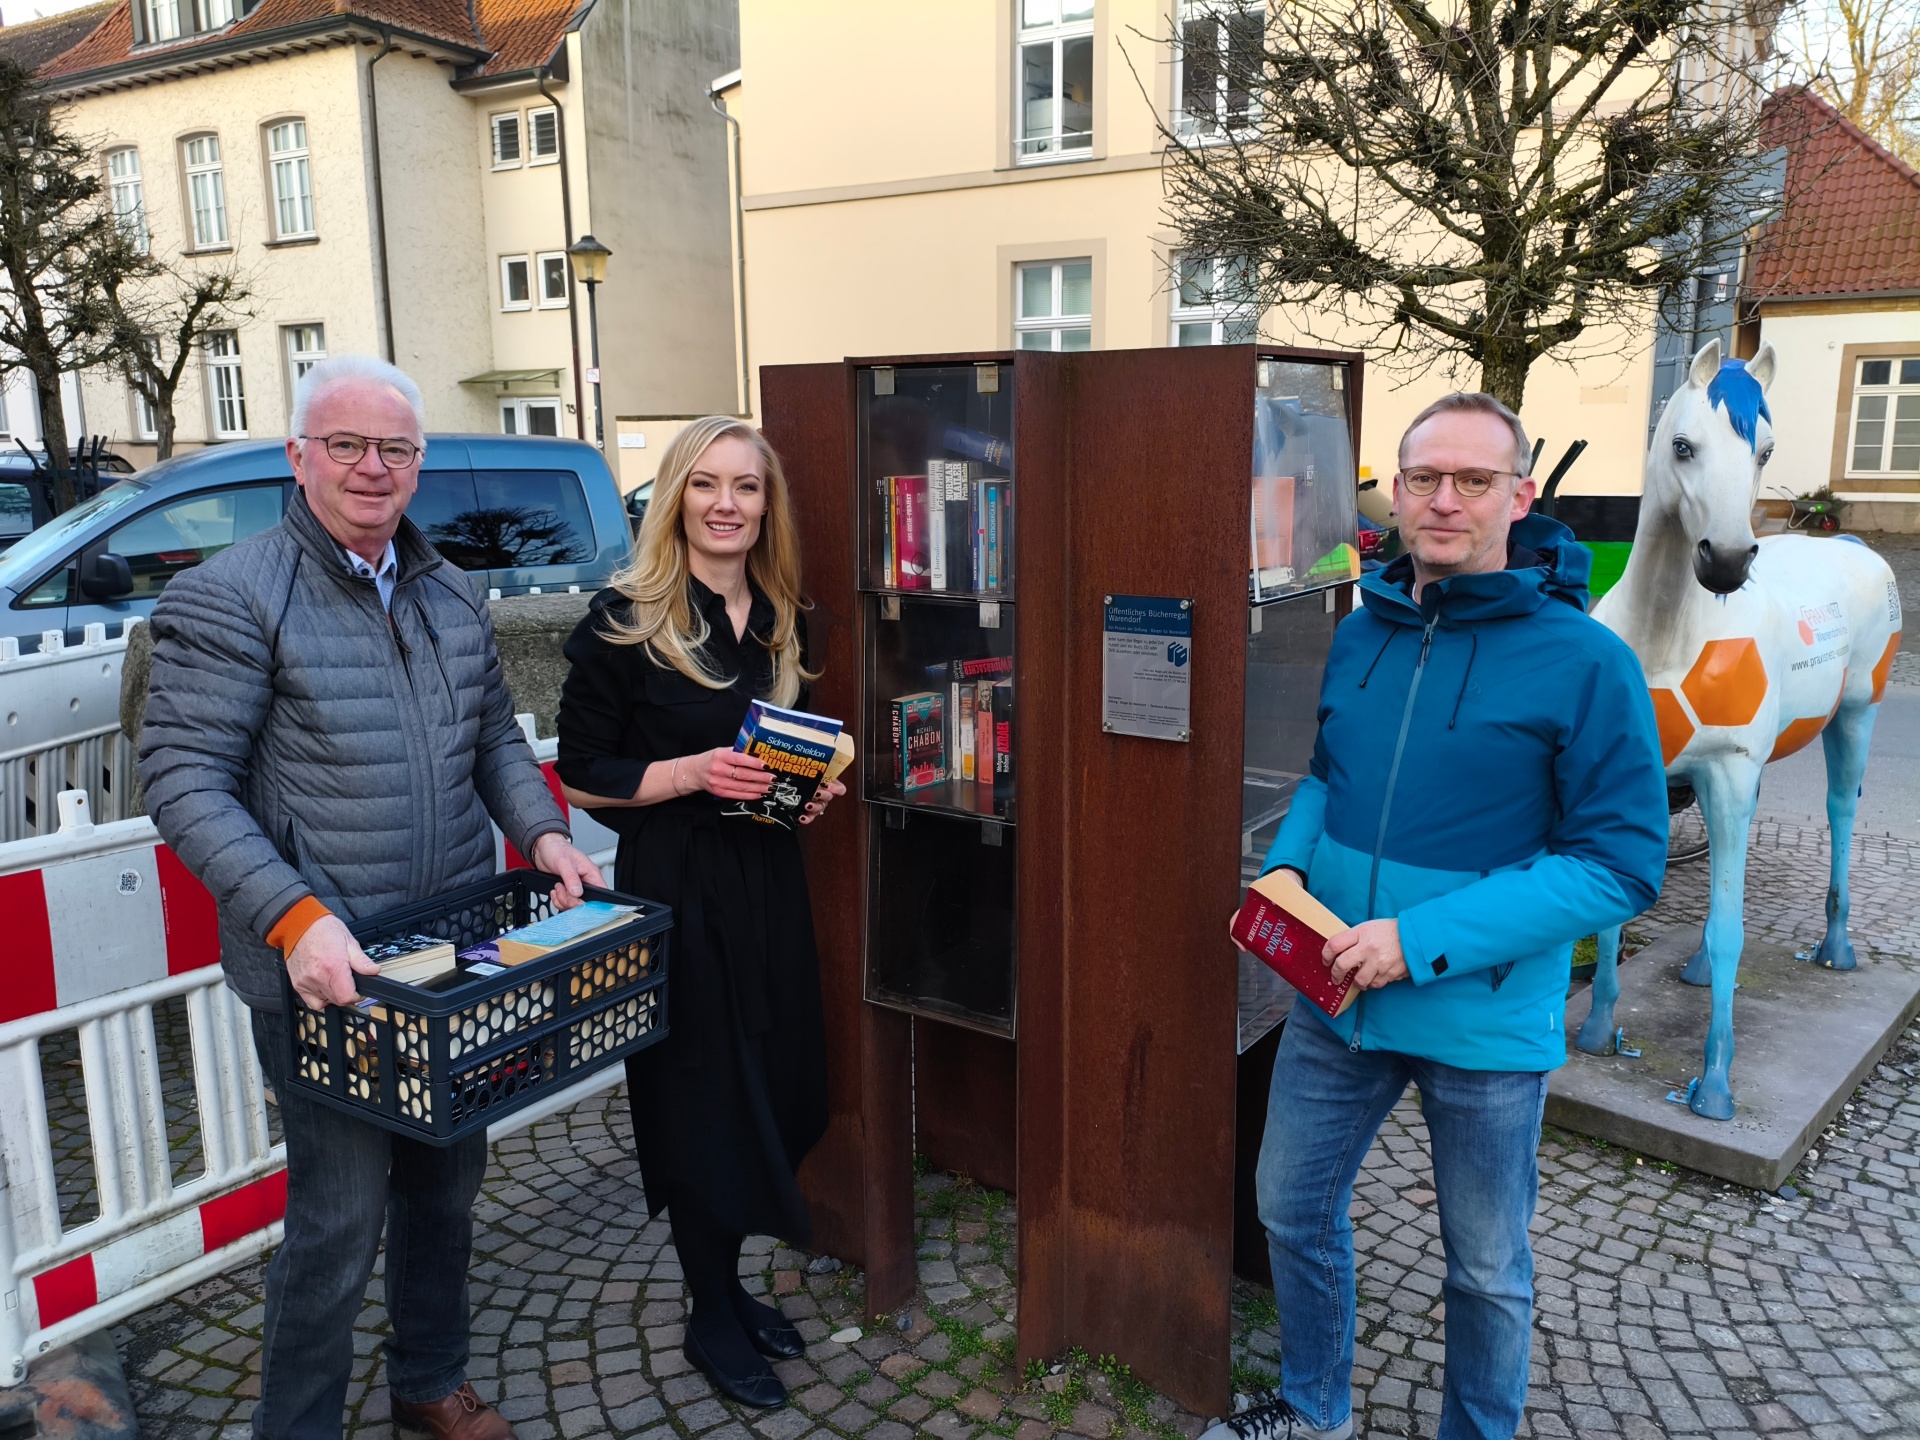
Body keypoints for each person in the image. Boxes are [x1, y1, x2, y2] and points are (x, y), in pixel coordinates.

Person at [139, 355, 602, 1440]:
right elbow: (184, 779)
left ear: (419, 464)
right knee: (339, 1218)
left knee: (445, 1187)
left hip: (449, 958)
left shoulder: (447, 588)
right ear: (298, 459)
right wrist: (294, 918)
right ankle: (295, 1426)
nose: (370, 467)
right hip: (327, 973)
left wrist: (539, 832)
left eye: (393, 448)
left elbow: (491, 735)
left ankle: (428, 1381)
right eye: (344, 444)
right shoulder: (230, 594)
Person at [1221, 393, 1668, 1440]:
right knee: (1289, 1207)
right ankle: (1314, 1408)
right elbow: (1328, 773)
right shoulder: (1363, 628)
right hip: (1336, 999)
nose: (1446, 501)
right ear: (1396, 488)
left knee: (1484, 1267)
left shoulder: (1585, 660)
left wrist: (1416, 942)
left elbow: (1619, 866)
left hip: (1482, 1022)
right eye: (1424, 478)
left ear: (1520, 495)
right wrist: (1286, 874)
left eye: (1474, 480)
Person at [555, 416, 842, 1409]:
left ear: (768, 506)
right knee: (698, 1100)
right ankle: (710, 1308)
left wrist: (808, 788)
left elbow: (780, 750)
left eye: (748, 488)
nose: (728, 504)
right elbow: (583, 776)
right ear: (675, 495)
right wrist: (687, 773)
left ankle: (727, 1284)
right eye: (707, 484)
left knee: (784, 1077)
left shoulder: (782, 615)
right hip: (676, 889)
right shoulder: (623, 622)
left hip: (768, 880)